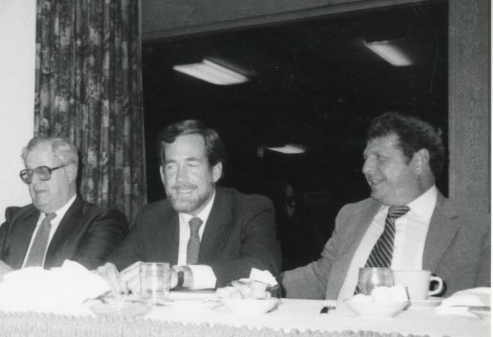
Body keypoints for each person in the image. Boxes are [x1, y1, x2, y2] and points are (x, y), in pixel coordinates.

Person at [282, 112, 490, 299]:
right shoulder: (351, 215)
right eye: (365, 159)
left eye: (380, 158)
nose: (365, 168)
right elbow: (322, 276)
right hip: (340, 336)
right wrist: (261, 284)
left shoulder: (478, 228)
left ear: (419, 162)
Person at [97, 120, 281, 294]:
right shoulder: (151, 216)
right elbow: (119, 264)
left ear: (215, 171)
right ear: (162, 174)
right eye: (171, 167)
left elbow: (263, 270)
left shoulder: (250, 209)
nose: (180, 178)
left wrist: (182, 276)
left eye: (191, 165)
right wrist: (109, 272)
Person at [0, 136, 128, 281]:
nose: (34, 181)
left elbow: (77, 281)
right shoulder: (16, 218)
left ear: (70, 172)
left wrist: (13, 279)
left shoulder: (103, 221)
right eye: (29, 173)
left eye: (43, 171)